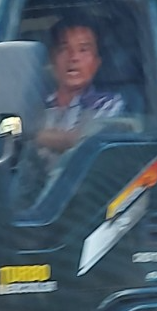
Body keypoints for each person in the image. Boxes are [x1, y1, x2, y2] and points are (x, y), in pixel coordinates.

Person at [12, 12, 124, 208]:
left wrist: (30, 132)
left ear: (96, 62)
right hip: (25, 198)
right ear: (52, 59)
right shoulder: (33, 102)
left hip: (78, 204)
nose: (73, 58)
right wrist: (18, 128)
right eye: (65, 49)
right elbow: (1, 127)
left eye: (83, 50)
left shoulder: (108, 104)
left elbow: (81, 142)